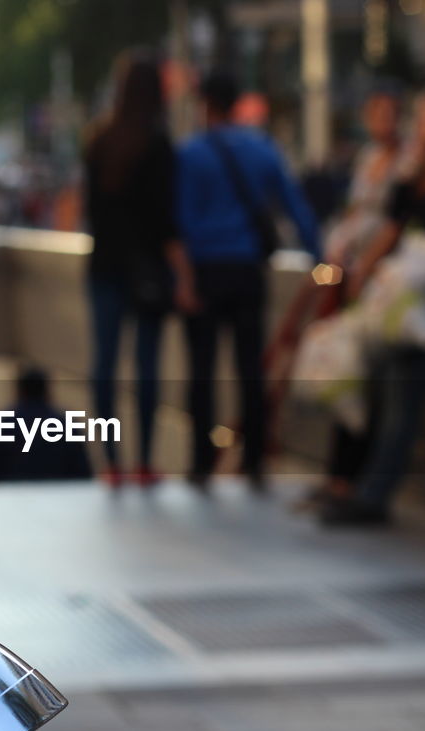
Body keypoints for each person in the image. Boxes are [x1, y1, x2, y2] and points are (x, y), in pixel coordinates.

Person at [320, 94, 425, 526]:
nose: (421, 127)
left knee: (404, 406)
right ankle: (359, 485)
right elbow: (399, 213)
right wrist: (411, 170)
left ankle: (372, 494)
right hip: (404, 305)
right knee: (385, 394)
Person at [177, 68, 322, 489]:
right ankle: (256, 458)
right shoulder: (262, 149)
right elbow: (296, 207)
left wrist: (183, 279)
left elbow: (181, 221)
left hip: (205, 270)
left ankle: (202, 461)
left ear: (205, 105)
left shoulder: (191, 154)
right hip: (247, 270)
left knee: (200, 371)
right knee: (250, 366)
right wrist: (320, 258)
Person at [83, 50, 195, 487]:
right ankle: (145, 461)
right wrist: (183, 275)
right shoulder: (158, 143)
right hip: (147, 271)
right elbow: (166, 221)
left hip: (104, 266)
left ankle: (110, 464)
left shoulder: (98, 140)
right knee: (147, 367)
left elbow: (93, 211)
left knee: (104, 367)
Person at [305, 89, 406, 508]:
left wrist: (364, 265)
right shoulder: (368, 161)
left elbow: (394, 221)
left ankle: (355, 477)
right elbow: (354, 214)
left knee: (370, 379)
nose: (380, 120)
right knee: (348, 373)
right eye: (374, 112)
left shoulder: (407, 162)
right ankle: (340, 473)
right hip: (352, 279)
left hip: (382, 287)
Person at [0, 367, 92, 483]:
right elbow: (83, 472)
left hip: (12, 496)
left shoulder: (4, 423)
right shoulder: (66, 423)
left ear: (19, 391)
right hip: (58, 495)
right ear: (47, 390)